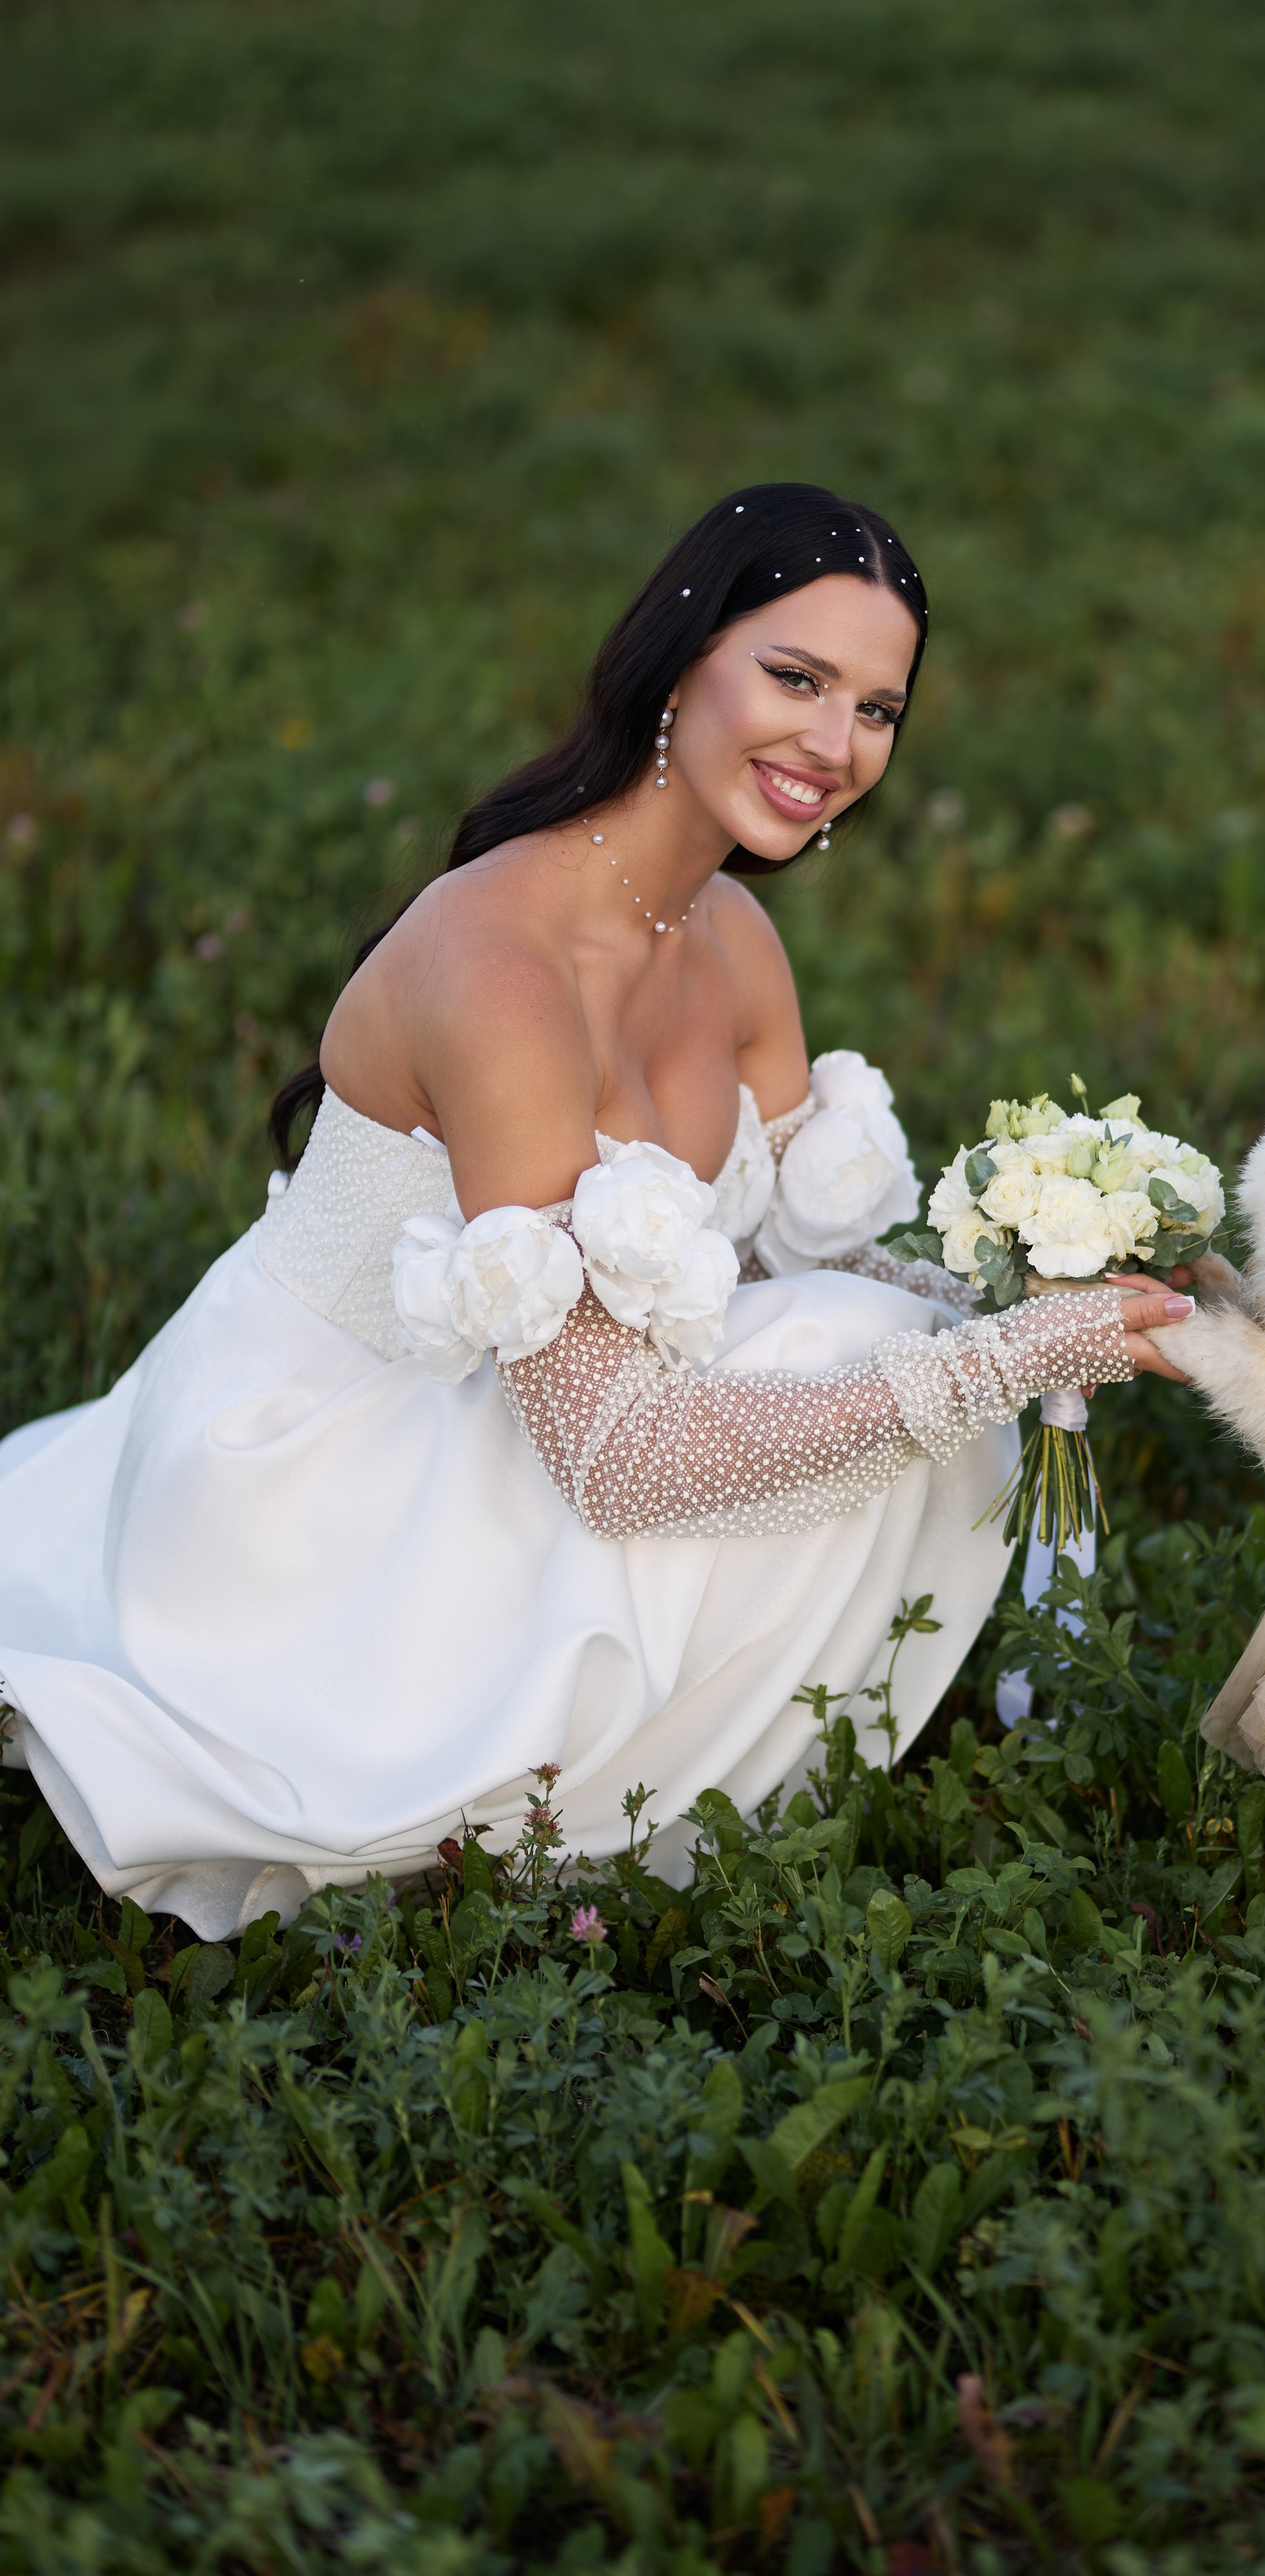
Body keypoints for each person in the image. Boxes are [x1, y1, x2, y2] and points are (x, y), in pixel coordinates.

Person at [0, 483, 1191, 1940]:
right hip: (329, 1485)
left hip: (547, 1418)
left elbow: (765, 1263)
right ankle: (559, 1799)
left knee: (864, 1328)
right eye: (795, 677)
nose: (835, 746)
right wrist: (994, 1364)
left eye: (877, 708)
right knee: (878, 1358)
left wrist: (1042, 1290)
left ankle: (687, 1768)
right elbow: (616, 1464)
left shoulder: (733, 937)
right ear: (677, 662)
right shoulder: (501, 970)